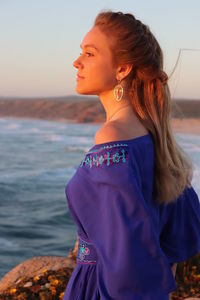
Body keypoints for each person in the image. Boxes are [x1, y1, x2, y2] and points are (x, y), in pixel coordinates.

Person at [63, 10, 200, 300]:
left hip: (98, 288)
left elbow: (126, 254)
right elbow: (179, 237)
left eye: (89, 53)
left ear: (123, 69)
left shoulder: (111, 137)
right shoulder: (156, 139)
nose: (77, 61)